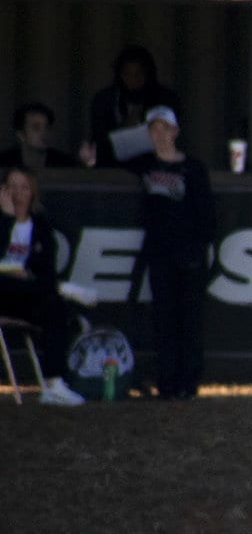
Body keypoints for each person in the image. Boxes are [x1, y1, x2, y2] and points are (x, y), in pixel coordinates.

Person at [128, 106, 214, 399]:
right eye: (154, 129)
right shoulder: (144, 165)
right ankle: (167, 383)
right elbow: (109, 153)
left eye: (166, 128)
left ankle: (188, 384)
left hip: (189, 255)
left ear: (176, 132)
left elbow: (207, 214)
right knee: (164, 318)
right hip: (159, 254)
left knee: (189, 319)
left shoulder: (193, 168)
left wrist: (200, 247)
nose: (160, 134)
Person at [0, 163, 82, 404]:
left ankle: (53, 384)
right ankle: (63, 291)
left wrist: (26, 277)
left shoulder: (41, 226)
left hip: (26, 296)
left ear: (33, 192)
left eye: (24, 187)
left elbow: (46, 271)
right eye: (12, 187)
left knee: (54, 305)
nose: (17, 193)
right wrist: (5, 219)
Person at [89, 47, 181, 162]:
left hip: (155, 164)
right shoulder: (105, 100)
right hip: (113, 165)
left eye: (139, 73)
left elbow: (172, 140)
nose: (133, 79)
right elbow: (99, 143)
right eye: (127, 74)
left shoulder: (166, 99)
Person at [1, 102, 77, 172]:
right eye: (36, 128)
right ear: (21, 134)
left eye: (47, 127)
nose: (44, 133)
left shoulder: (65, 164)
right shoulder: (4, 162)